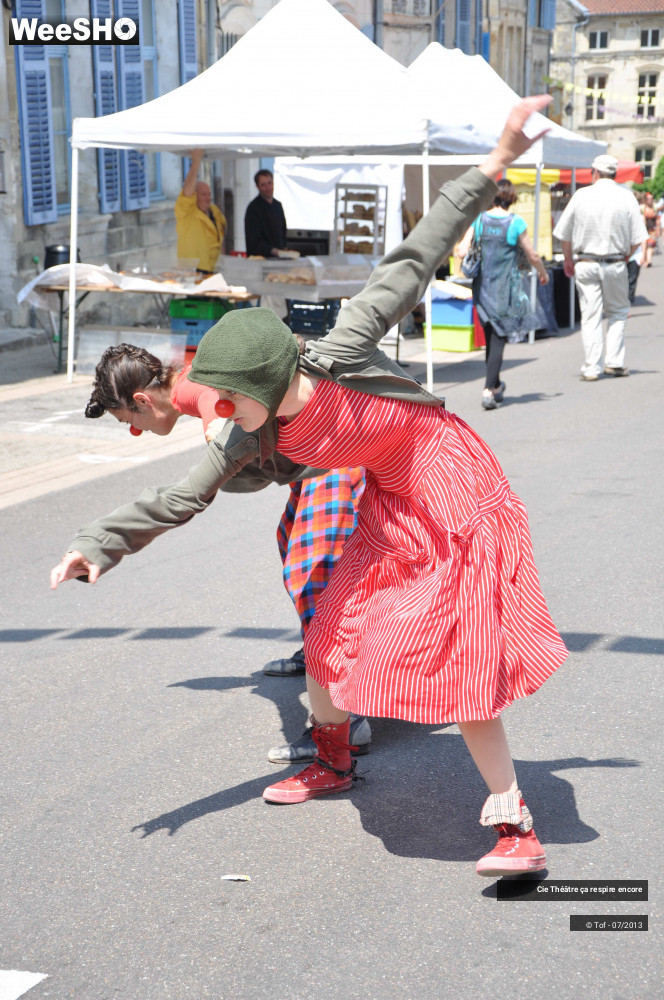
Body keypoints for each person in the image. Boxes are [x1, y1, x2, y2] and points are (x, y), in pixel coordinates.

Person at [51, 97, 567, 878]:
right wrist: (95, 546)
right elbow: (179, 499)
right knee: (329, 631)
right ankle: (333, 760)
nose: (216, 412)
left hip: (450, 482)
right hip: (389, 499)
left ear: (268, 376)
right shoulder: (246, 430)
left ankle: (513, 824)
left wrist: (495, 160)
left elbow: (415, 253)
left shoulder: (345, 345)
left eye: (228, 397)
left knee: (461, 659)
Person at [82, 342, 370, 763]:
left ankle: (346, 721)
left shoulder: (199, 394)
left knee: (312, 580)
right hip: (319, 460)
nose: (137, 431)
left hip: (334, 460)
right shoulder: (195, 379)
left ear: (142, 400)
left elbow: (213, 462)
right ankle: (319, 657)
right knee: (290, 539)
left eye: (131, 421)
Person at [553, 153, 647, 381]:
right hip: (615, 261)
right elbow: (638, 237)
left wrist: (567, 259)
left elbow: (564, 234)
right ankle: (614, 362)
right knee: (617, 312)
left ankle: (591, 367)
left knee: (591, 315)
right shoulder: (626, 197)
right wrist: (626, 254)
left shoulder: (581, 195)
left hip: (586, 261)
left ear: (594, 172)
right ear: (615, 174)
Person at [457, 179, 549, 410]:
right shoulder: (515, 222)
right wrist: (542, 273)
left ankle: (496, 385)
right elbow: (533, 255)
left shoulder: (480, 220)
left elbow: (460, 251)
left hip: (482, 288)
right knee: (499, 338)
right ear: (511, 198)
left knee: (491, 337)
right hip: (505, 289)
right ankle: (488, 390)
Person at [174, 149, 227, 274]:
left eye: (209, 194)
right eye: (203, 194)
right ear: (195, 196)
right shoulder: (186, 212)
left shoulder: (214, 210)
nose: (208, 198)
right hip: (192, 270)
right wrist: (196, 161)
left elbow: (223, 228)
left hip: (213, 268)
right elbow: (187, 192)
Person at [244, 170, 288, 258]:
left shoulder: (278, 206)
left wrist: (284, 249)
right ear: (257, 186)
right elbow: (253, 240)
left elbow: (283, 232)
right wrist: (273, 250)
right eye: (263, 185)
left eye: (269, 183)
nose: (268, 188)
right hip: (260, 261)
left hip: (279, 260)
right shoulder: (253, 209)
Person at [641, 191, 660, 268]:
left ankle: (649, 260)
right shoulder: (642, 208)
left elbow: (657, 220)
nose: (650, 200)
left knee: (650, 245)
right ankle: (645, 260)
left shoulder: (655, 208)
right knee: (644, 246)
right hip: (643, 230)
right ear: (645, 200)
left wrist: (658, 230)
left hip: (652, 230)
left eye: (651, 198)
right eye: (648, 199)